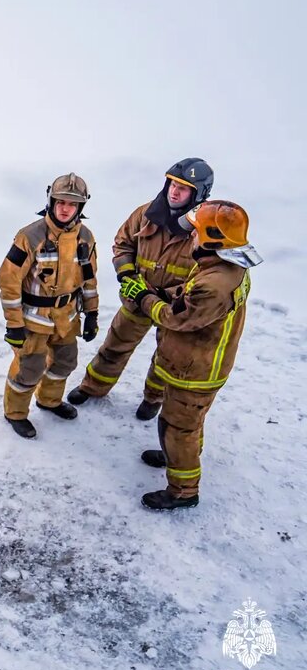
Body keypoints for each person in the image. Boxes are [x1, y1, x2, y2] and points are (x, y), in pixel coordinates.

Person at [119, 200, 261, 510]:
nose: (191, 236)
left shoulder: (215, 284)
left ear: (213, 238)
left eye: (196, 231)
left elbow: (174, 318)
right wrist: (162, 293)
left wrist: (144, 298)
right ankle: (175, 455)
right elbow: (189, 295)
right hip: (200, 364)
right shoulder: (224, 265)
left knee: (178, 428)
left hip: (195, 371)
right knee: (189, 424)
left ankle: (183, 491)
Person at [68, 158, 214, 419]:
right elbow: (122, 244)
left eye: (183, 188)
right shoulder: (146, 214)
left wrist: (167, 296)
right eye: (172, 184)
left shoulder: (205, 230)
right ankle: (93, 386)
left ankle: (153, 398)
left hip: (172, 308)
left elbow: (206, 273)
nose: (174, 191)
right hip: (136, 298)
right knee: (115, 345)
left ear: (199, 194)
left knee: (166, 358)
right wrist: (127, 275)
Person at [0, 174, 99, 438]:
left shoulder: (85, 238)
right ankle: (15, 413)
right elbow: (8, 282)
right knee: (29, 368)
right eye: (61, 202)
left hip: (67, 317)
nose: (65, 209)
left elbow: (89, 279)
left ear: (80, 207)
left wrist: (92, 313)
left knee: (66, 361)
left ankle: (49, 400)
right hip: (34, 319)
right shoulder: (29, 237)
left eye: (72, 204)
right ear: (51, 202)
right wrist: (14, 325)